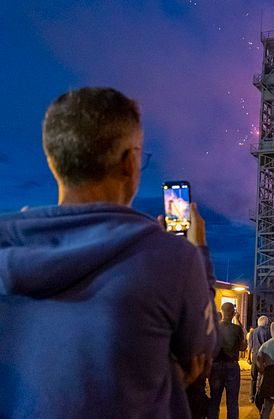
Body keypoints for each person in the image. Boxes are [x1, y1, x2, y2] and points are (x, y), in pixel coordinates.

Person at [0, 87, 218, 417]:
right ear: (130, 163)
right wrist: (197, 250)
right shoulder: (172, 258)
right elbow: (203, 350)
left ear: (52, 160)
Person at [208, 303, 248, 419]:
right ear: (233, 313)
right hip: (232, 366)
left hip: (215, 367)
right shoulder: (236, 329)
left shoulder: (213, 328)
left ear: (222, 311)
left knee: (214, 400)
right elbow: (242, 347)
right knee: (232, 402)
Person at [249, 316, 271, 402]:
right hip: (265, 356)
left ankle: (252, 396)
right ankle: (261, 395)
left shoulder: (253, 332)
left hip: (255, 356)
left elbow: (250, 346)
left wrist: (248, 358)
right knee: (263, 377)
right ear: (266, 323)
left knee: (253, 377)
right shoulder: (268, 332)